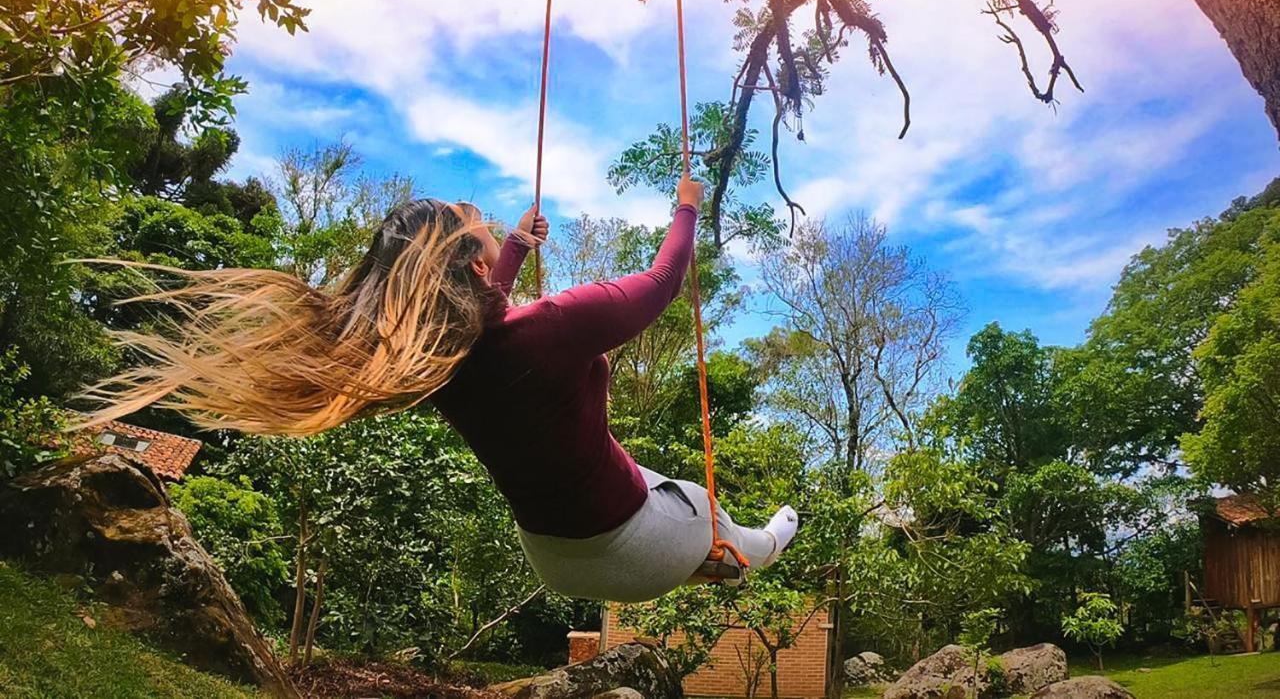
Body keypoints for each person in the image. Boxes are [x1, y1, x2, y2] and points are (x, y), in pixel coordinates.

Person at [83, 173, 797, 602]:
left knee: (639, 471)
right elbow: (662, 282)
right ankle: (752, 548)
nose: (478, 216)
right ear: (473, 265)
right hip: (633, 550)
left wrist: (513, 245)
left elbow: (487, 328)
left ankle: (704, 548)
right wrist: (688, 206)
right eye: (474, 224)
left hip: (554, 557)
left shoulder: (436, 365)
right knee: (703, 508)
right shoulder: (554, 326)